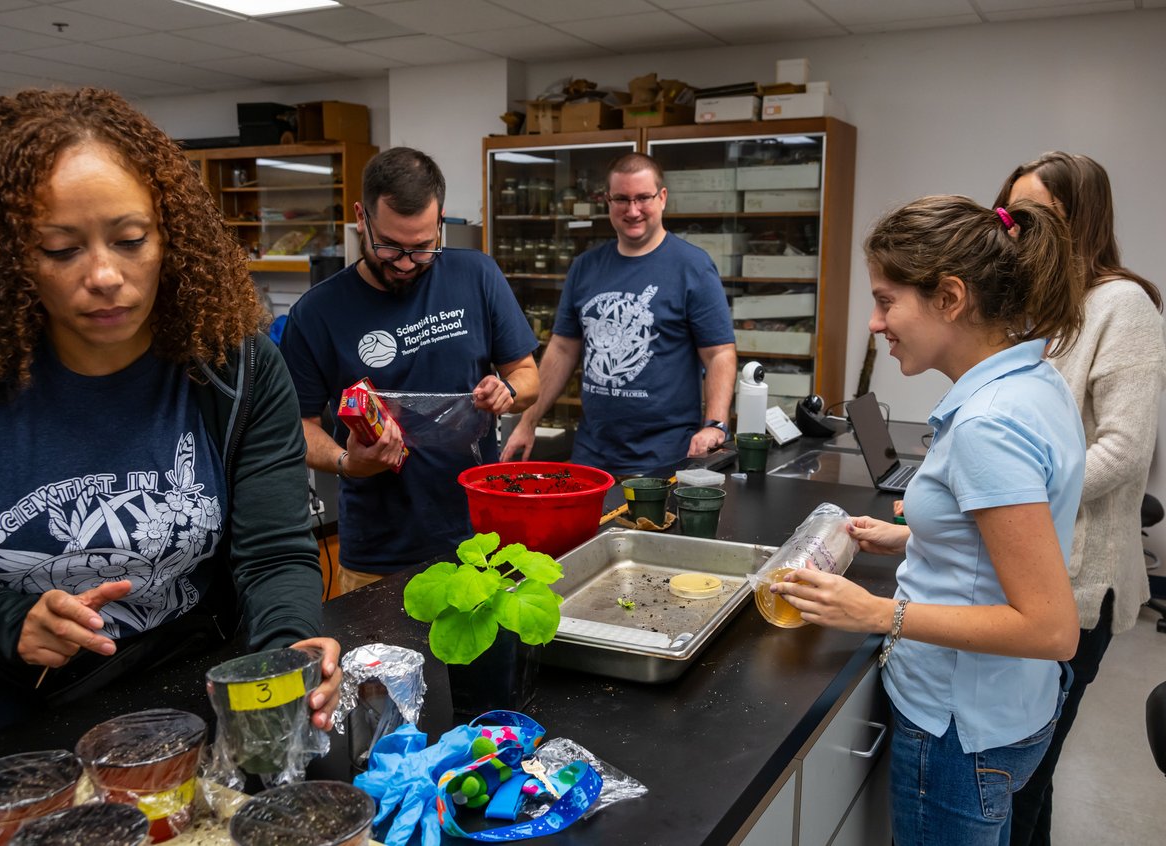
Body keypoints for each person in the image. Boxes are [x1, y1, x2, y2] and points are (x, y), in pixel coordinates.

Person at [0, 88, 341, 740]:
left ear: (171, 237)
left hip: (193, 692)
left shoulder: (235, 367)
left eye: (130, 238)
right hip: (16, 722)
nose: (106, 274)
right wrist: (7, 619)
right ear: (5, 257)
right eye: (60, 249)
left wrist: (290, 649)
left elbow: (273, 554)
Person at [771, 195, 1088, 846]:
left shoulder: (988, 425)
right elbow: (1018, 530)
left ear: (949, 297)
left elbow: (1052, 628)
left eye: (887, 301)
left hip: (957, 728)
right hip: (1010, 709)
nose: (874, 322)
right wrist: (917, 535)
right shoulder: (1033, 380)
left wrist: (874, 613)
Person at [995, 153, 1166, 846]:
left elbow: (1123, 453)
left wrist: (1006, 496)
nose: (1014, 235)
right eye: (1009, 217)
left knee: (1019, 783)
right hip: (1022, 567)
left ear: (1082, 223)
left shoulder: (1121, 306)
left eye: (1035, 219)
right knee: (1023, 774)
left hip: (1075, 582)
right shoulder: (1033, 305)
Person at [281, 147, 539, 588]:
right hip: (380, 551)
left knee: (485, 656)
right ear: (362, 217)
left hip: (482, 535)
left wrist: (507, 393)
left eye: (422, 248)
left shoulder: (476, 275)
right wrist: (347, 461)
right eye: (390, 247)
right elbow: (294, 429)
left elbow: (528, 375)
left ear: (440, 222)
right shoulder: (317, 313)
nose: (404, 264)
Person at [500, 152, 736, 477]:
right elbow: (563, 349)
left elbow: (720, 353)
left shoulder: (692, 267)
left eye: (643, 198)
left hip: (667, 456)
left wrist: (715, 424)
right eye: (622, 199)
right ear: (608, 201)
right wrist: (529, 421)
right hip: (592, 454)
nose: (633, 210)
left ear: (662, 198)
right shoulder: (585, 267)